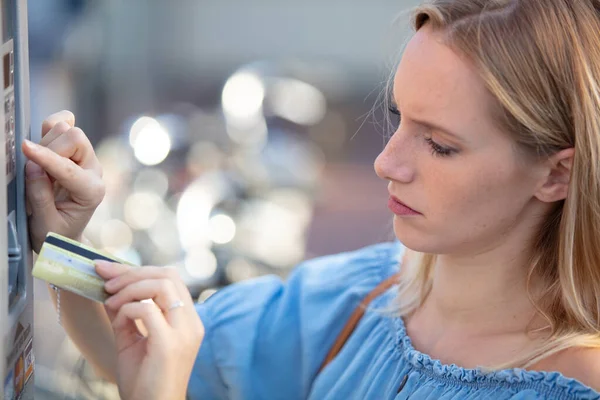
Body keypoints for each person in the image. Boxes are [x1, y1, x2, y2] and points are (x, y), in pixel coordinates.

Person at [23, 0, 600, 399]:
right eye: (398, 118)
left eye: (441, 145)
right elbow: (137, 358)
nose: (386, 162)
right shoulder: (356, 298)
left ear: (555, 175)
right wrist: (64, 242)